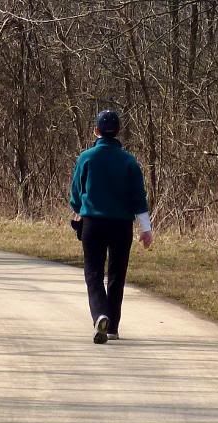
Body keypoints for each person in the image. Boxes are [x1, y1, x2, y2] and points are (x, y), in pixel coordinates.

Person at [69, 110, 153, 344]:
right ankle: (113, 326)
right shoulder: (129, 161)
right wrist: (145, 228)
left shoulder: (86, 158)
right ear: (118, 131)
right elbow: (139, 197)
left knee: (93, 273)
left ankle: (100, 314)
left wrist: (78, 208)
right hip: (121, 225)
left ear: (96, 130)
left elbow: (76, 194)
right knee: (117, 274)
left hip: (93, 224)